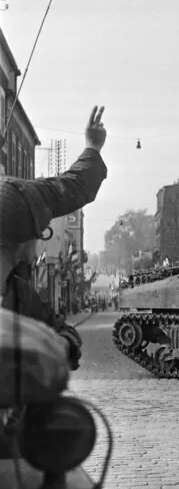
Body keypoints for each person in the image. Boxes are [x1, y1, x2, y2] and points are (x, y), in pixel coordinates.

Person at [0, 106, 108, 370]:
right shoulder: (18, 294)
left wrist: (60, 344)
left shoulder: (20, 295)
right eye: (40, 231)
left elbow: (61, 330)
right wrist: (92, 148)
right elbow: (68, 187)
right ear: (24, 240)